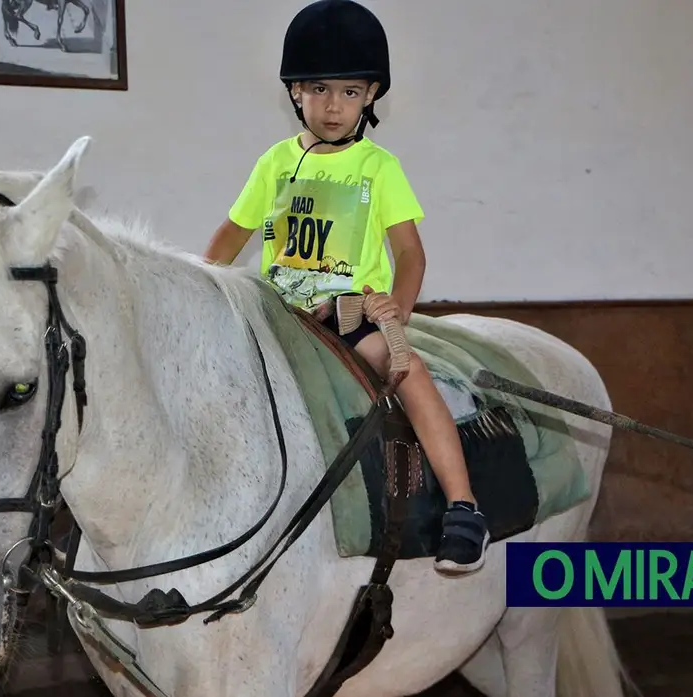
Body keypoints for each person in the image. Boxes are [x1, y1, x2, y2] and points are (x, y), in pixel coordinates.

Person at [201, 0, 489, 575]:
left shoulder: (378, 168)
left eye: (351, 92)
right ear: (295, 93)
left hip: (351, 312)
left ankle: (463, 505)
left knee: (402, 365)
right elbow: (228, 239)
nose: (335, 106)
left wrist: (397, 310)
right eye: (321, 90)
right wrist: (204, 289)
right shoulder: (274, 164)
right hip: (277, 310)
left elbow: (409, 252)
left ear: (372, 96)